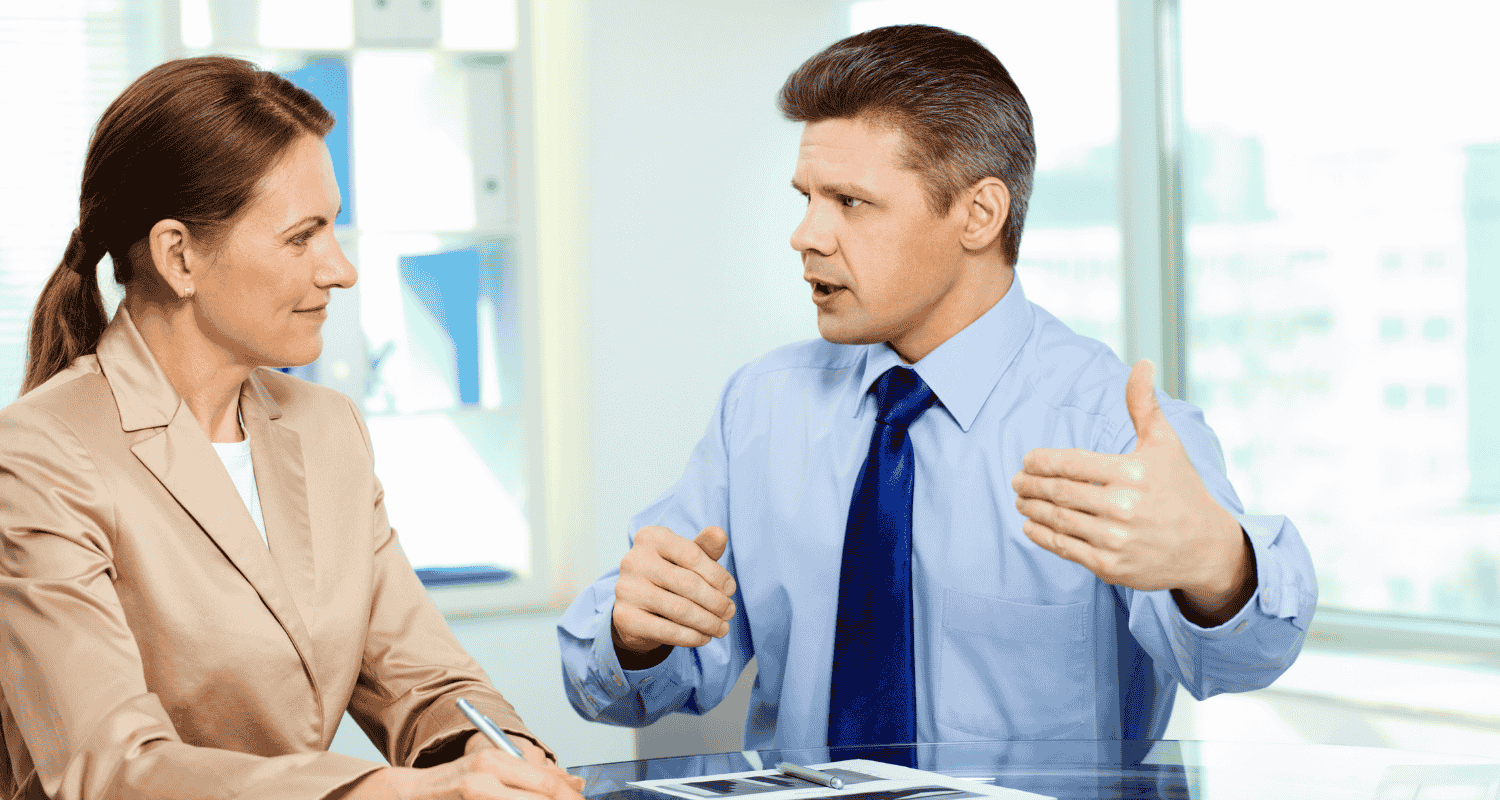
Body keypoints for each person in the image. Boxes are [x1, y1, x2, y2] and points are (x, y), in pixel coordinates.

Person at [558, 25, 1317, 752]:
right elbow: (624, 688)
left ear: (979, 214)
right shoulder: (760, 409)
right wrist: (635, 634)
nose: (807, 236)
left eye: (850, 202)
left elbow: (1240, 663)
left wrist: (1218, 566)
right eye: (806, 198)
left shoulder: (1111, 427)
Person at [0, 57, 586, 800]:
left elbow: (428, 680)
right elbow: (114, 767)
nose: (340, 269)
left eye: (333, 227)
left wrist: (495, 755)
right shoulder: (41, 455)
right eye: (302, 237)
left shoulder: (327, 430)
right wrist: (401, 793)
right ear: (179, 255)